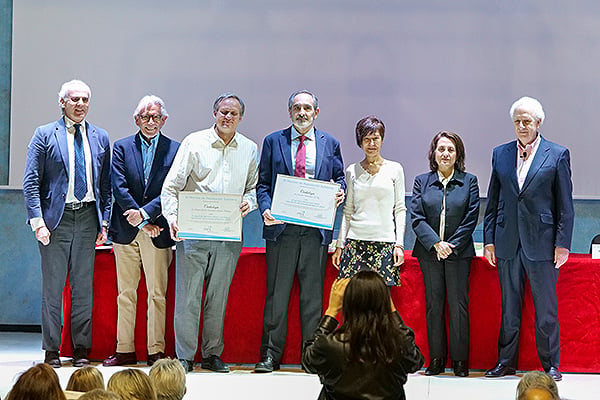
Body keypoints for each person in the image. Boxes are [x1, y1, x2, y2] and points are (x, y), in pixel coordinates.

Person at [161, 93, 259, 373]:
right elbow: (171, 187)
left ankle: (213, 354)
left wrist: (249, 203)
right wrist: (172, 218)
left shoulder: (249, 149)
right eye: (223, 112)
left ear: (240, 118)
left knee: (218, 296)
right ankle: (185, 356)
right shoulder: (195, 142)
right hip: (193, 232)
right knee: (188, 296)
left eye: (233, 113)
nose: (228, 117)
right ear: (214, 114)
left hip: (228, 235)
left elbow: (252, 189)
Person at [483, 96, 574, 381]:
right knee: (509, 307)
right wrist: (489, 240)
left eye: (527, 121)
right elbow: (494, 200)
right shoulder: (500, 153)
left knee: (545, 308)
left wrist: (563, 243)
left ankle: (551, 364)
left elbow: (565, 205)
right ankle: (505, 361)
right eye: (517, 122)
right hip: (508, 240)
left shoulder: (557, 154)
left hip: (543, 244)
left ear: (539, 122)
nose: (522, 126)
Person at [255, 90, 346, 373]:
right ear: (290, 111)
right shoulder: (273, 141)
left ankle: (312, 356)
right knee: (277, 296)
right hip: (281, 230)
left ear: (316, 112)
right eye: (297, 107)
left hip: (315, 231)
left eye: (307, 108)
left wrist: (340, 191)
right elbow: (263, 184)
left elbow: (340, 177)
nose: (302, 112)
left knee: (312, 297)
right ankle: (270, 355)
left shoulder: (330, 143)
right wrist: (266, 209)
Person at [23, 79, 112, 368]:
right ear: (62, 102)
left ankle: (81, 349)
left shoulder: (100, 136)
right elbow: (31, 181)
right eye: (74, 99)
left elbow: (105, 185)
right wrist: (38, 222)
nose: (81, 105)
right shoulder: (45, 134)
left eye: (85, 99)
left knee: (83, 289)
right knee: (53, 289)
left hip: (88, 217)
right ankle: (51, 350)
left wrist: (105, 222)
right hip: (55, 221)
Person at [103, 95, 179, 368]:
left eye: (156, 117)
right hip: (126, 231)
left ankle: (156, 351)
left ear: (164, 120)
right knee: (126, 293)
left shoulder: (175, 149)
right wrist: (140, 222)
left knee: (157, 293)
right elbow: (119, 188)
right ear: (136, 119)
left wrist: (146, 215)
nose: (150, 122)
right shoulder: (122, 147)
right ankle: (124, 350)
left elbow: (172, 189)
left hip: (158, 232)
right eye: (145, 117)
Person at [410, 131, 480, 377]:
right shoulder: (422, 181)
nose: (446, 154)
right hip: (430, 254)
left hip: (458, 254)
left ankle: (460, 361)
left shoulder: (469, 181)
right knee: (434, 306)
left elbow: (471, 218)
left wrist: (450, 245)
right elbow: (417, 219)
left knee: (459, 306)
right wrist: (436, 244)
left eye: (451, 149)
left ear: (457, 154)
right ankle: (437, 359)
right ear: (434, 153)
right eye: (441, 149)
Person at [302, 271, 424, 400]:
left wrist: (331, 312)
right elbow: (415, 362)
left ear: (347, 303)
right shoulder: (399, 344)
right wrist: (392, 313)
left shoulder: (330, 345)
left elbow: (308, 361)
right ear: (386, 303)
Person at [332, 115, 406, 286]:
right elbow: (348, 210)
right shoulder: (352, 170)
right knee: (353, 302)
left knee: (380, 302)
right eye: (367, 139)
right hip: (355, 243)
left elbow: (400, 209)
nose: (372, 144)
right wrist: (339, 245)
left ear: (382, 139)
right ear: (360, 142)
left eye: (376, 139)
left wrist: (399, 245)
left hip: (385, 244)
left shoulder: (395, 169)